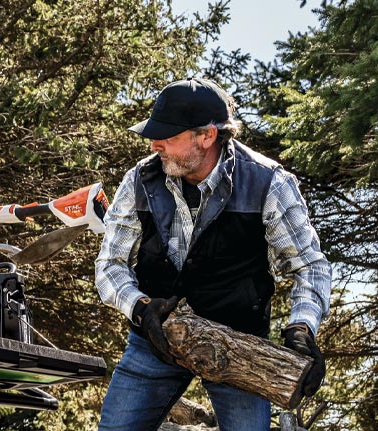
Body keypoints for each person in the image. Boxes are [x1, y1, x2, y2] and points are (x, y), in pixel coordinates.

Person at [94, 78, 331, 430]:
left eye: (168, 136)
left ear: (206, 136)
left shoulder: (269, 183)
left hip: (241, 346)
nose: (154, 144)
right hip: (156, 341)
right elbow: (109, 265)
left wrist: (302, 328)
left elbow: (310, 266)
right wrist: (142, 310)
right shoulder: (139, 180)